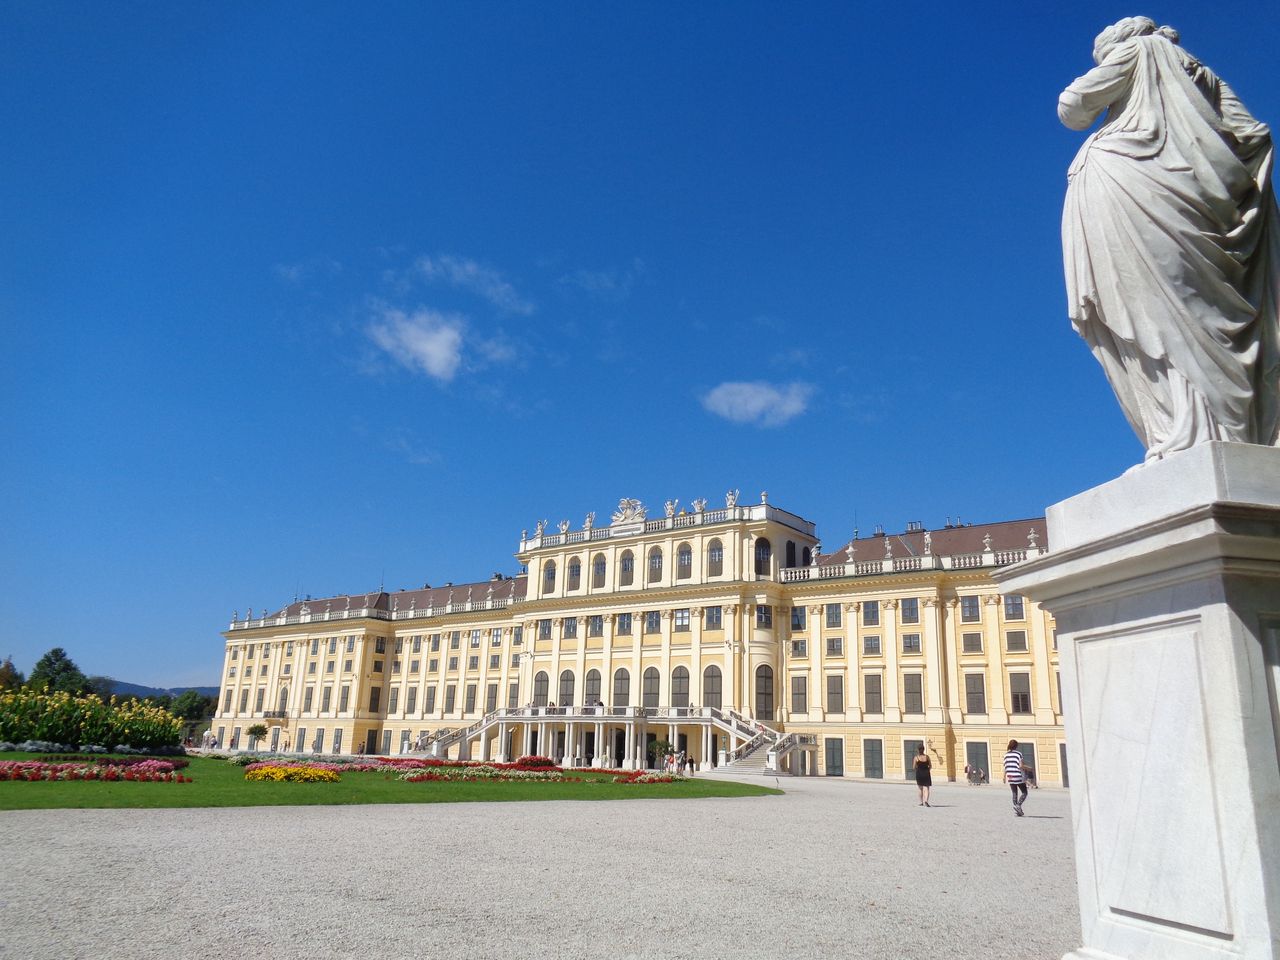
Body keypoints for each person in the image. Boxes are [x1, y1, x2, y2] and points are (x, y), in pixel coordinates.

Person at [1059, 17, 1280, 462]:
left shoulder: (1140, 51)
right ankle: (1222, 429)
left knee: (1153, 314)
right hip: (1188, 199)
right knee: (1194, 309)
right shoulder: (1200, 72)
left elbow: (1073, 106)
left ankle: (1183, 431)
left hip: (1129, 188)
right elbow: (1252, 134)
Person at [1004, 740, 1029, 817]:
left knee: (1014, 793)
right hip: (1017, 775)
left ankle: (1018, 810)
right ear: (1016, 746)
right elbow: (1021, 766)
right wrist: (1029, 768)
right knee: (1024, 792)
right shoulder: (1018, 754)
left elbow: (1005, 766)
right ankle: (1018, 805)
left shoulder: (1006, 755)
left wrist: (1004, 777)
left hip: (1010, 775)